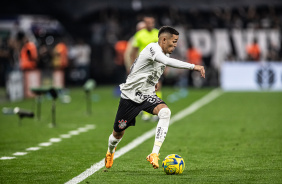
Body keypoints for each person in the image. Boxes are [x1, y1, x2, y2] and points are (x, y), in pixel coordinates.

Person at [105, 26, 205, 169]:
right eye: (174, 41)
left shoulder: (166, 55)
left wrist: (152, 84)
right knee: (117, 133)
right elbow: (164, 61)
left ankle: (154, 154)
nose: (175, 45)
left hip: (147, 95)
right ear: (164, 39)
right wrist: (193, 66)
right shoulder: (153, 48)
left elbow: (153, 70)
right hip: (130, 96)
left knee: (165, 112)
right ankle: (110, 152)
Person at [130, 15, 162, 121]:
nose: (150, 24)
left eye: (152, 22)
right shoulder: (139, 35)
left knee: (158, 86)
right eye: (148, 22)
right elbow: (134, 51)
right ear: (145, 23)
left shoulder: (157, 34)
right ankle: (147, 113)